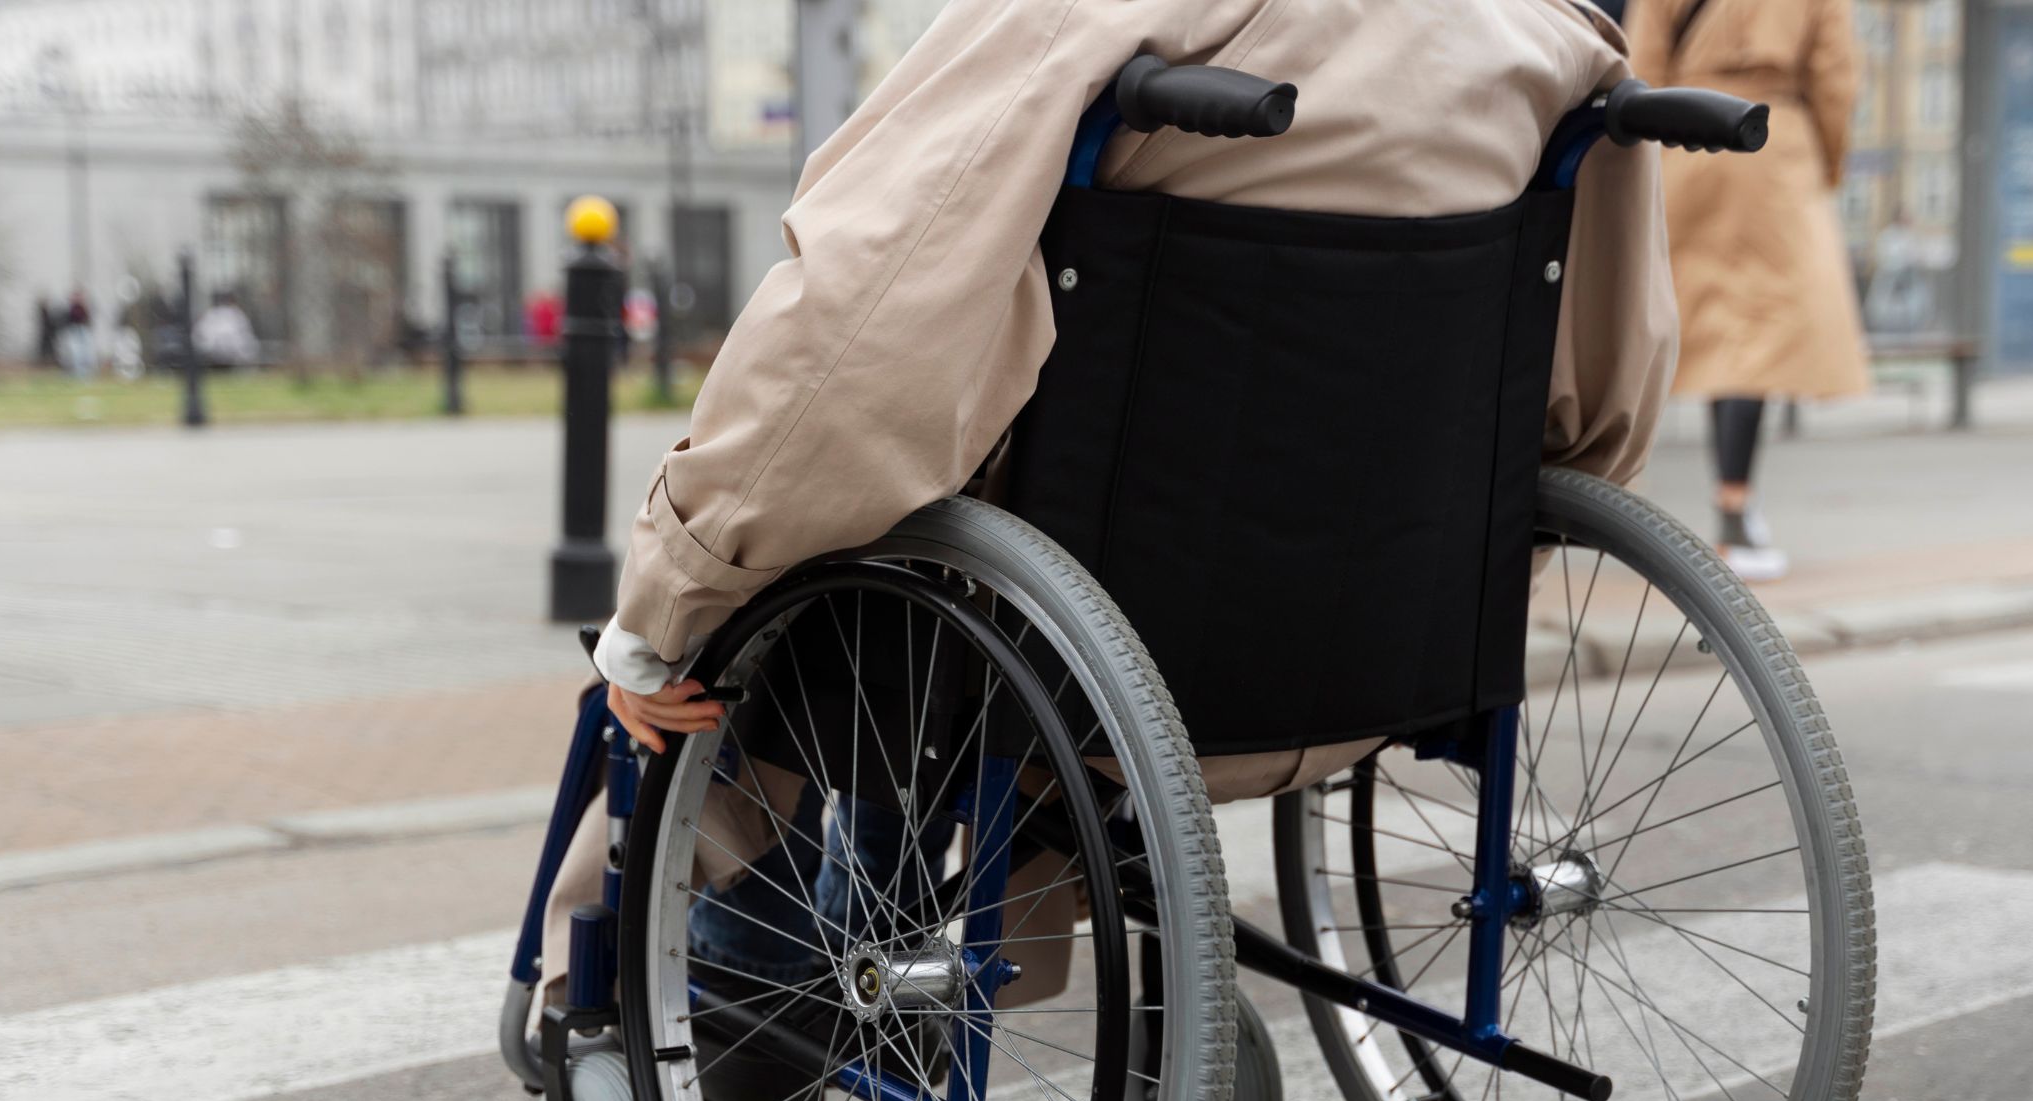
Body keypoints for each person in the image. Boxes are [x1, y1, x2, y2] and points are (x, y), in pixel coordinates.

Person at [542, 0, 1680, 1007]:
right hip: (1380, 656)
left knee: (773, 576)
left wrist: (675, 592)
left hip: (1049, 674)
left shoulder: (1080, 16)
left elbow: (861, 339)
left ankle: (741, 948)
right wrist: (1480, 566)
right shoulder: (1550, 41)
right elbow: (1599, 407)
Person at [1628, 0, 1867, 581]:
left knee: (1681, 321)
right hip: (1773, 142)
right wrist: (1827, 162)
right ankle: (1734, 507)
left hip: (1686, 138)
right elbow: (1837, 78)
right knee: (1753, 337)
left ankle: (1611, 500)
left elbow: (1641, 65)